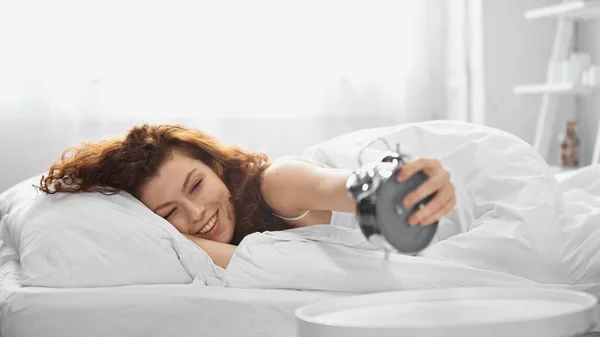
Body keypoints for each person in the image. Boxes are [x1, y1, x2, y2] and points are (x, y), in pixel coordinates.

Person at [39, 124, 456, 268]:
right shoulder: (184, 242)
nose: (197, 212)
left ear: (216, 165)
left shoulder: (276, 182)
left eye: (196, 186)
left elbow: (341, 186)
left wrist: (394, 187)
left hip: (446, 193)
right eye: (169, 212)